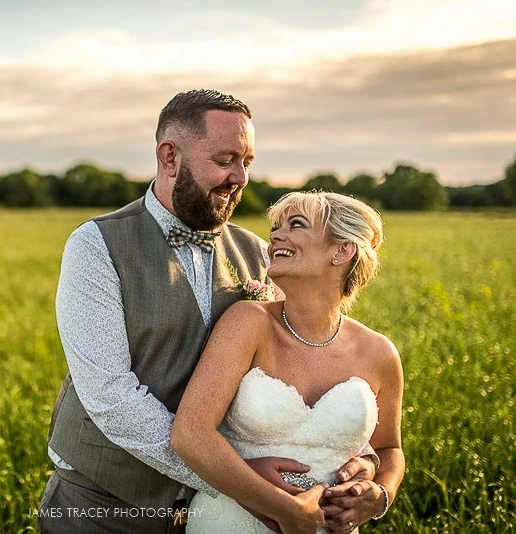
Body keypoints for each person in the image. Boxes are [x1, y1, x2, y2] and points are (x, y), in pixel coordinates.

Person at [39, 89, 381, 533]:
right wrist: (237, 477)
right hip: (106, 501)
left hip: (220, 513)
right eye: (225, 160)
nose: (240, 177)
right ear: (170, 158)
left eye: (248, 162)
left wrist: (360, 461)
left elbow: (307, 360)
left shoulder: (261, 254)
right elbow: (110, 396)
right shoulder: (96, 245)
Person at [171, 191, 406, 533]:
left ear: (342, 251)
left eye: (296, 225)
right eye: (276, 227)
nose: (275, 235)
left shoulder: (379, 353)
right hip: (232, 521)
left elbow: (389, 448)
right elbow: (190, 435)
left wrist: (381, 493)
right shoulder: (248, 322)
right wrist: (284, 510)